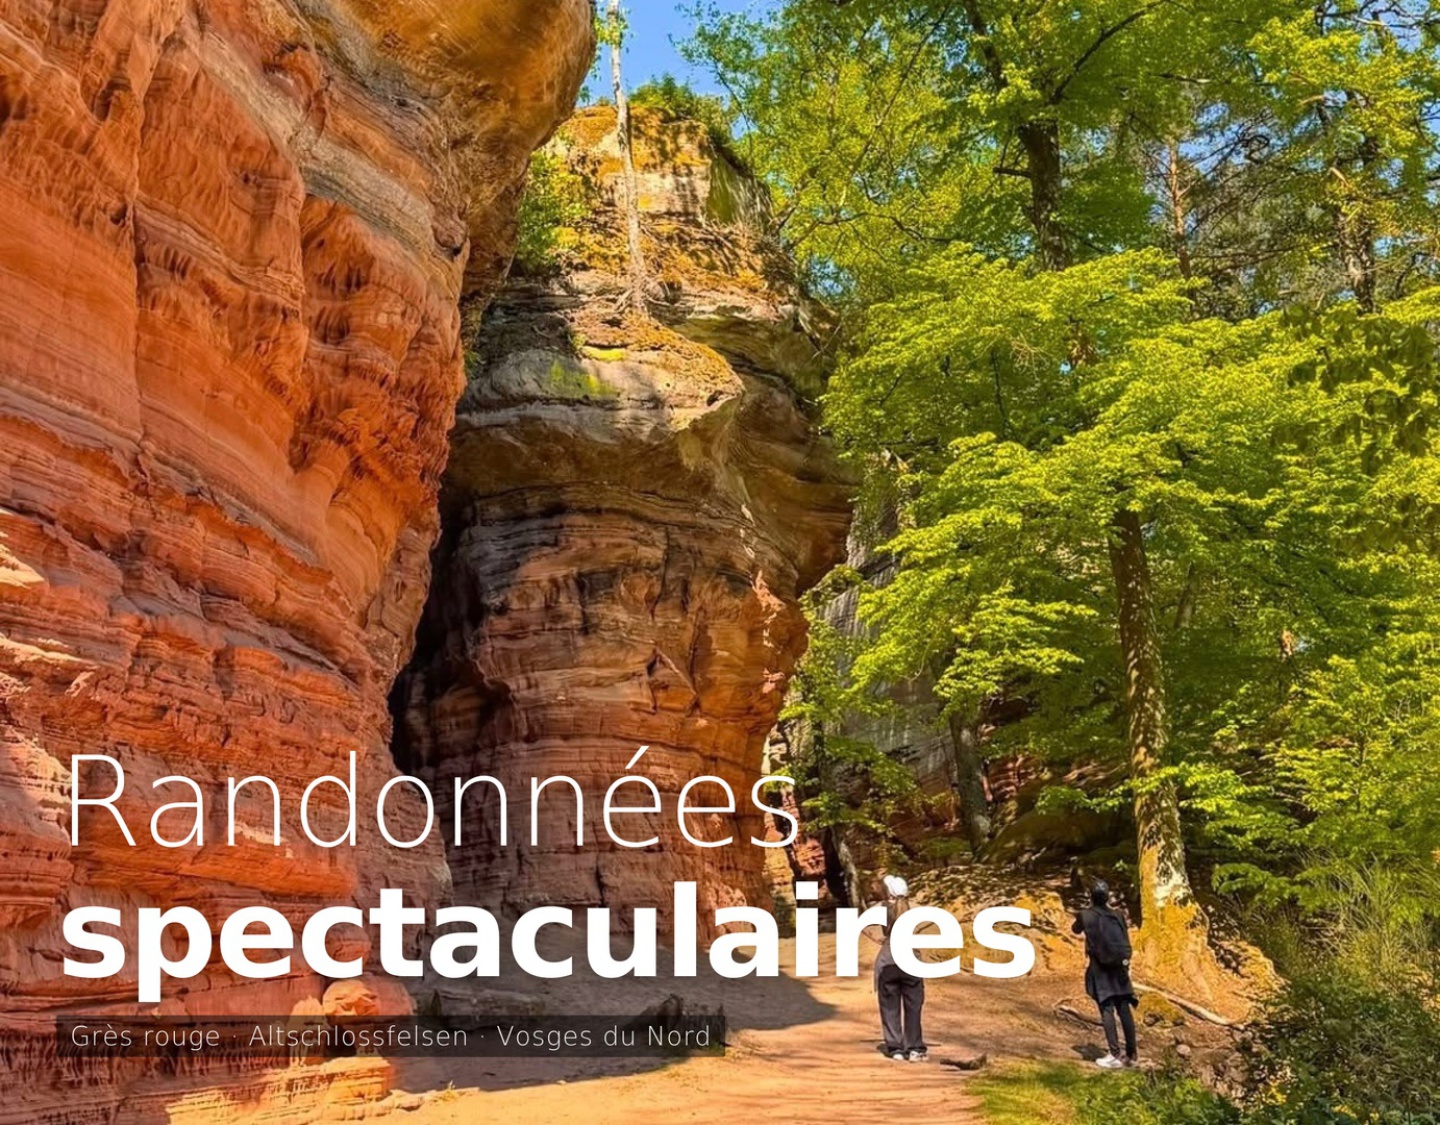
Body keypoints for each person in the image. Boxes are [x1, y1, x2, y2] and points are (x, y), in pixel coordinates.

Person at [1071, 879, 1138, 1069]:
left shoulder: (1086, 915)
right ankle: (1132, 1055)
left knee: (1106, 1008)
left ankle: (1114, 1054)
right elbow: (1125, 938)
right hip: (1120, 967)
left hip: (1100, 967)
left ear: (1091, 896)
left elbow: (1075, 929)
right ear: (1108, 896)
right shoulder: (1118, 915)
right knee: (1124, 1009)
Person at [872, 874, 927, 1062]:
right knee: (913, 1007)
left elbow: (861, 924)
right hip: (911, 962)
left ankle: (895, 1048)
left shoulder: (880, 909)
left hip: (887, 962)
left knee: (889, 1007)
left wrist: (880, 939)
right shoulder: (917, 909)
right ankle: (914, 1048)